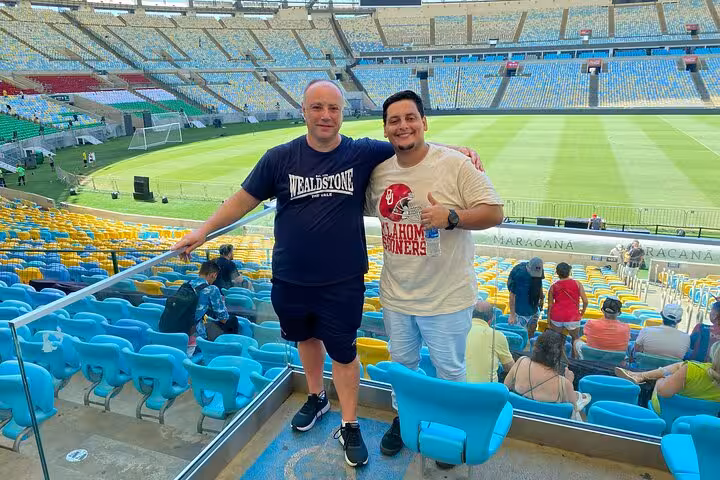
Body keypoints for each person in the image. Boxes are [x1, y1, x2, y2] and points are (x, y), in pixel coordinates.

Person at [172, 79, 480, 468]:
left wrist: (461, 152)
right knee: (305, 341)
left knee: (345, 353)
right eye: (317, 107)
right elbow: (243, 199)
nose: (325, 115)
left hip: (342, 280)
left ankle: (350, 423)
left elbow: (412, 146)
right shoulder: (279, 158)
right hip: (291, 278)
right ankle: (317, 397)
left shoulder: (362, 151)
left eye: (333, 108)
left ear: (342, 114)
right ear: (303, 111)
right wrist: (203, 232)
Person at [363, 91, 504, 462]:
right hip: (396, 296)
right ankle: (404, 418)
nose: (403, 125)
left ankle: (449, 430)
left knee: (450, 370)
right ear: (386, 129)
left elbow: (494, 212)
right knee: (402, 367)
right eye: (394, 120)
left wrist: (452, 217)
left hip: (446, 298)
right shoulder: (379, 172)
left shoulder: (456, 164)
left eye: (411, 117)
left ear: (424, 122)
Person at [616, 342, 720, 412]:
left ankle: (640, 376)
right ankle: (639, 376)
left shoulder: (693, 369)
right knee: (680, 365)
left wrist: (662, 379)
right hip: (703, 425)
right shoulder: (693, 368)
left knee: (678, 368)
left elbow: (663, 392)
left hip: (667, 413)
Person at [504, 330, 579, 405]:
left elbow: (505, 387)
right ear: (559, 355)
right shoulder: (564, 384)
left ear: (536, 347)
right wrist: (570, 383)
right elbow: (573, 408)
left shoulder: (521, 362)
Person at [466, 301, 515, 383]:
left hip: (455, 388)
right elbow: (510, 368)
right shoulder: (497, 336)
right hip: (486, 392)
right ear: (491, 320)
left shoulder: (458, 331)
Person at [189, 260, 238, 341]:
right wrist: (221, 303)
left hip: (182, 326)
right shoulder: (212, 289)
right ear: (214, 275)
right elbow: (223, 319)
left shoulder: (188, 284)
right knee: (233, 320)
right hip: (197, 332)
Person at [547, 262, 588, 357]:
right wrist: (582, 312)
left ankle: (560, 359)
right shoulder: (577, 284)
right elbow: (585, 301)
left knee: (557, 340)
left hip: (557, 316)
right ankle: (573, 360)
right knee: (575, 339)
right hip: (572, 316)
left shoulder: (553, 286)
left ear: (557, 273)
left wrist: (548, 319)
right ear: (569, 271)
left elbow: (550, 305)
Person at [508, 257, 545, 339]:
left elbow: (539, 284)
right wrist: (512, 315)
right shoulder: (519, 274)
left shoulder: (539, 268)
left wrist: (541, 298)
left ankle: (529, 341)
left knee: (532, 328)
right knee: (519, 333)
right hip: (521, 308)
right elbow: (512, 295)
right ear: (528, 268)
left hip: (534, 305)